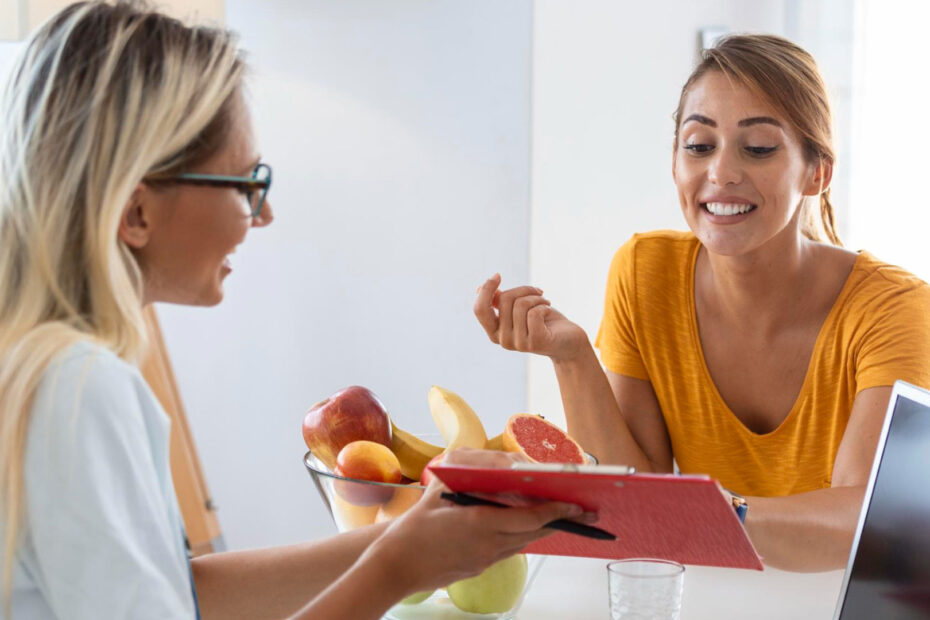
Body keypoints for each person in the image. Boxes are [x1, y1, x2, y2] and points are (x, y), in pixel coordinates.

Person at [0, 3, 587, 618]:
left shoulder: (40, 366)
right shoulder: (79, 388)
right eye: (246, 184)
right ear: (137, 213)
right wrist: (399, 565)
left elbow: (178, 590)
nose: (265, 215)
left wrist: (411, 540)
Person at [474, 34, 930, 572]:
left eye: (758, 148)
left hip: (839, 600)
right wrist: (571, 357)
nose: (721, 172)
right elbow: (632, 498)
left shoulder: (895, 308)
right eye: (699, 145)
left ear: (817, 173)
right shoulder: (644, 272)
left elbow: (866, 518)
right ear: (674, 164)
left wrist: (712, 515)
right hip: (707, 594)